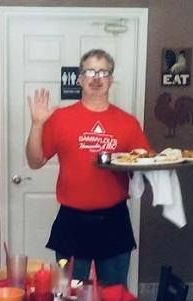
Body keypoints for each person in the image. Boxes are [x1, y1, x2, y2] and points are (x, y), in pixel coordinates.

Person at [25, 49, 150, 285]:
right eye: (90, 71)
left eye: (103, 72)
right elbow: (34, 161)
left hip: (114, 221)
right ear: (80, 78)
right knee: (70, 298)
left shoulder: (128, 123)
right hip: (71, 222)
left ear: (111, 79)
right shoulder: (60, 118)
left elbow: (144, 163)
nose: (96, 78)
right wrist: (37, 125)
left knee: (114, 298)